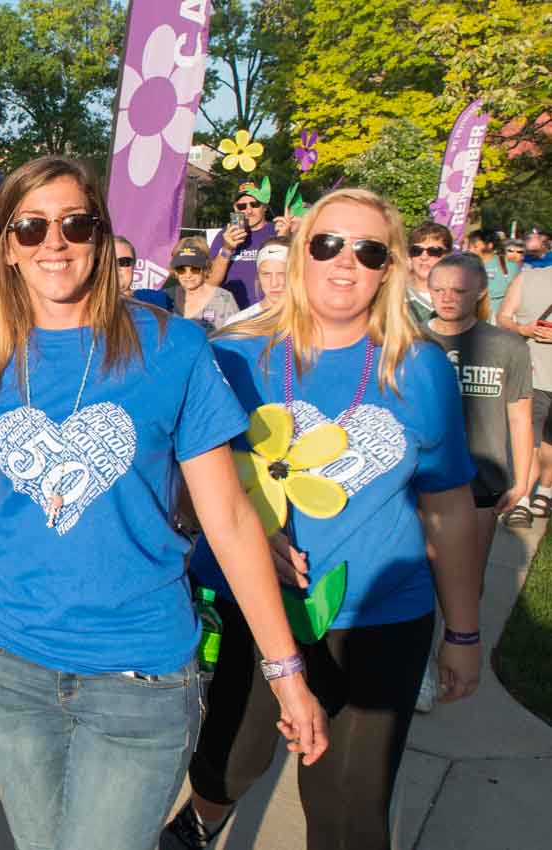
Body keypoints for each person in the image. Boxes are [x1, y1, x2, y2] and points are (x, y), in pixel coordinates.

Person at [0, 156, 327, 850]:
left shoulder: (173, 347)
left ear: (100, 234)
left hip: (139, 676)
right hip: (13, 668)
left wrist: (286, 671)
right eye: (30, 228)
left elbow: (231, 522)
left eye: (74, 223)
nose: (52, 243)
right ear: (5, 246)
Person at [162, 188, 481, 850]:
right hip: (254, 605)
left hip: (379, 614)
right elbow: (186, 487)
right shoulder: (229, 356)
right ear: (300, 252)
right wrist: (253, 529)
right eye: (328, 243)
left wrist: (464, 633)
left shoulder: (419, 368)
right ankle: (202, 821)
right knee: (230, 760)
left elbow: (448, 505)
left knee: (350, 810)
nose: (345, 263)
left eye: (368, 251)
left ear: (392, 268)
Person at [424, 252, 531, 582]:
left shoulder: (507, 346)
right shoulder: (411, 342)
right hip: (422, 480)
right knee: (421, 582)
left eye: (458, 291)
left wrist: (522, 482)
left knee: (468, 582)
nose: (447, 298)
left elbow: (519, 416)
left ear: (481, 291)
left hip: (482, 480)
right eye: (439, 289)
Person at [496, 256, 552, 527]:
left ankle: (546, 489)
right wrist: (522, 328)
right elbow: (502, 317)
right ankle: (522, 500)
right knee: (531, 435)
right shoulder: (528, 278)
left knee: (549, 443)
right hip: (532, 371)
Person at [208, 180, 289, 309]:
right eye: (242, 206)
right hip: (232, 314)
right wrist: (227, 249)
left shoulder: (279, 232)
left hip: (270, 313)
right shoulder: (225, 235)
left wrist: (284, 241)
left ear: (265, 206)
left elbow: (295, 277)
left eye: (254, 204)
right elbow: (210, 283)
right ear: (235, 208)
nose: (248, 211)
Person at [167, 237, 239, 332]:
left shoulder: (224, 300)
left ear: (205, 269)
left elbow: (237, 338)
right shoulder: (165, 297)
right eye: (181, 269)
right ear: (175, 271)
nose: (188, 275)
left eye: (194, 269)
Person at [226, 236, 291, 325]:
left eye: (282, 274)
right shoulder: (239, 322)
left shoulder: (311, 319)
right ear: (258, 276)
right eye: (266, 274)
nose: (274, 283)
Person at [405, 221, 453, 323]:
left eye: (434, 251)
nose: (424, 257)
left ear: (448, 256)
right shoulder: (395, 299)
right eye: (416, 250)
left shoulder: (464, 299)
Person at [467, 228, 520, 317]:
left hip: (500, 317)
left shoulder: (507, 264)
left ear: (489, 245)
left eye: (475, 247)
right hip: (473, 316)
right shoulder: (466, 265)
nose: (470, 250)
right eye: (469, 247)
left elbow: (516, 292)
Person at [113, 235, 172, 310]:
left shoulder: (157, 300)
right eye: (109, 262)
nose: (115, 268)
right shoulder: (93, 305)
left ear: (133, 265)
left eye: (123, 262)